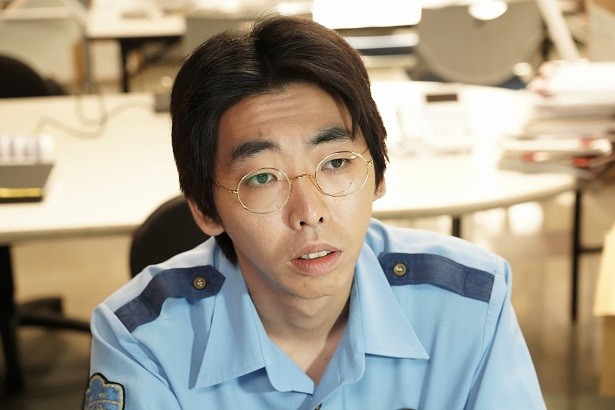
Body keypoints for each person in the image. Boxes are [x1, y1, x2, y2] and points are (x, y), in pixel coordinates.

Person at [85, 15, 545, 409]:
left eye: (336, 163)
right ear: (206, 210)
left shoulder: (471, 304)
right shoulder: (139, 341)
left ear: (379, 173)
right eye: (261, 178)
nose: (309, 212)